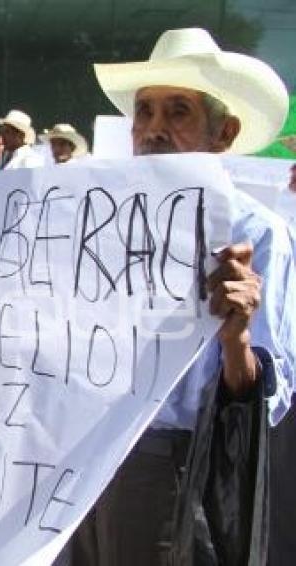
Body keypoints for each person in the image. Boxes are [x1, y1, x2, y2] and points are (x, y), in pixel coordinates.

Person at [66, 27, 295, 565]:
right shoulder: (97, 219)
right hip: (76, 459)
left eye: (177, 111)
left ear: (225, 132)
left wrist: (237, 336)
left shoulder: (256, 234)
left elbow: (270, 398)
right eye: (144, 112)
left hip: (167, 468)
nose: (153, 129)